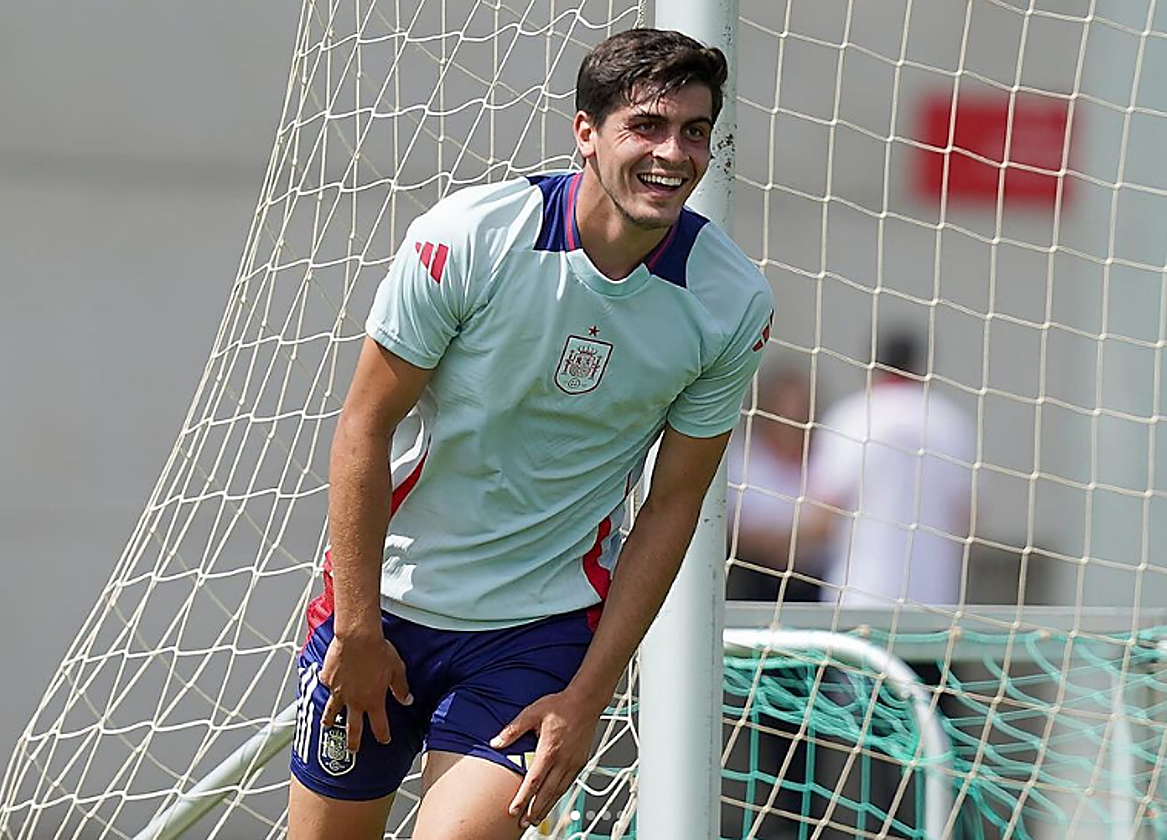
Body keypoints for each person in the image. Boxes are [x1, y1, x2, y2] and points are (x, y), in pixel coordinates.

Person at [287, 28, 775, 840]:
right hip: (390, 610)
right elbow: (365, 426)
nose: (674, 153)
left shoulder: (730, 301)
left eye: (695, 131)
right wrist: (358, 627)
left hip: (537, 632)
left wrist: (588, 698)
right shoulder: (470, 237)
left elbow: (672, 505)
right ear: (586, 132)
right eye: (647, 127)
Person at [808, 329, 975, 608]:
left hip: (859, 590)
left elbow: (823, 513)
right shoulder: (950, 421)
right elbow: (967, 520)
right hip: (932, 596)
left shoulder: (852, 416)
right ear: (921, 366)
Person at [726, 366, 825, 603]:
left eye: (800, 414)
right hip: (754, 584)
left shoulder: (823, 461)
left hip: (814, 584)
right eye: (784, 413)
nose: (792, 422)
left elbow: (829, 527)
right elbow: (737, 532)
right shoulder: (742, 463)